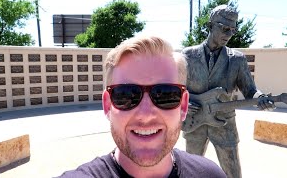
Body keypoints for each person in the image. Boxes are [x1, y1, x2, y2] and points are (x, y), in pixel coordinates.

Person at [58, 36, 226, 177]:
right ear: (108, 105)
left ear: (183, 106)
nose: (145, 115)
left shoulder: (211, 175)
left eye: (166, 94)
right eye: (126, 94)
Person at [181, 5, 276, 178]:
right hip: (194, 123)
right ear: (210, 25)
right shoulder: (188, 55)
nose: (229, 34)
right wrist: (185, 100)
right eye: (225, 28)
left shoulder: (237, 59)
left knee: (233, 173)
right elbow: (176, 87)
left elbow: (250, 90)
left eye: (233, 30)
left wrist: (260, 97)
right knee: (190, 172)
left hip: (225, 124)